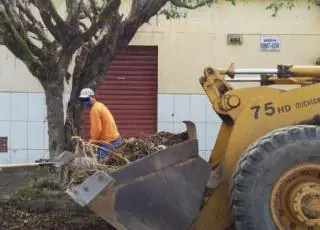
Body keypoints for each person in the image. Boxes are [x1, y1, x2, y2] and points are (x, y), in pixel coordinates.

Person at [79, 88, 121, 160]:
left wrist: (92, 142)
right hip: (115, 139)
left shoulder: (95, 110)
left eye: (86, 99)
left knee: (102, 164)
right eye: (82, 100)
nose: (84, 102)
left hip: (109, 142)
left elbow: (97, 129)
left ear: (92, 97)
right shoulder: (99, 105)